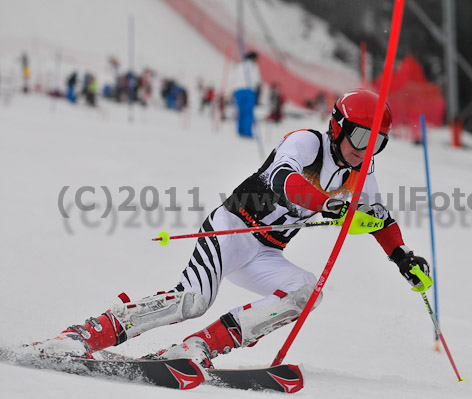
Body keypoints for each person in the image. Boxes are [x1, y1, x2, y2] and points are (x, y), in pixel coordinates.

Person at [33, 89, 431, 368]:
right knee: (193, 299)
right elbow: (282, 182)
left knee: (307, 293)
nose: (365, 150)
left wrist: (402, 258)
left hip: (266, 251)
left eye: (377, 142)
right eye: (360, 136)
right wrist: (328, 204)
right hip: (230, 230)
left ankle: (198, 348)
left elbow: (380, 218)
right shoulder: (307, 143)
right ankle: (84, 335)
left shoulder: (362, 173)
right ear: (338, 127)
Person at [231, 51, 262, 138]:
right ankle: (247, 132)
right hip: (249, 90)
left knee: (241, 112)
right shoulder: (253, 66)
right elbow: (257, 80)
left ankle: (240, 131)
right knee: (248, 112)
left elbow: (233, 79)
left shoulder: (239, 66)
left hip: (238, 91)